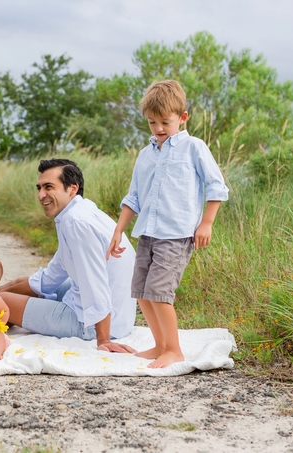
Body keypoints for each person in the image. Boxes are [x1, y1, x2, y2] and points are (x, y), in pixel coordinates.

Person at [107, 80, 229, 368]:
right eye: (152, 122)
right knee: (142, 293)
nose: (159, 128)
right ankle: (160, 344)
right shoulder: (146, 154)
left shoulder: (193, 148)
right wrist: (118, 229)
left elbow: (216, 187)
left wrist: (206, 223)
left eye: (165, 121)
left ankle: (174, 350)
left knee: (160, 294)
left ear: (182, 117)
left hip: (176, 235)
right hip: (148, 233)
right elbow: (134, 197)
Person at [0, 159, 137, 353]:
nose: (41, 195)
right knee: (19, 284)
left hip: (93, 323)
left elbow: (95, 284)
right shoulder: (76, 213)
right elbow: (51, 277)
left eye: (49, 187)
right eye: (39, 188)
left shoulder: (76, 223)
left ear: (72, 189)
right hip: (109, 312)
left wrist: (103, 339)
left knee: (0, 302)